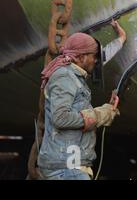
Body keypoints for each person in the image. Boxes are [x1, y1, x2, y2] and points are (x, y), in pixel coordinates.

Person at [37, 20, 126, 180]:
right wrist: (100, 115)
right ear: (81, 57)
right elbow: (61, 118)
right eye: (94, 57)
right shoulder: (64, 76)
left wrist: (121, 39)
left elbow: (100, 58)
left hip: (70, 165)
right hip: (66, 168)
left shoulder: (73, 71)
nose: (97, 60)